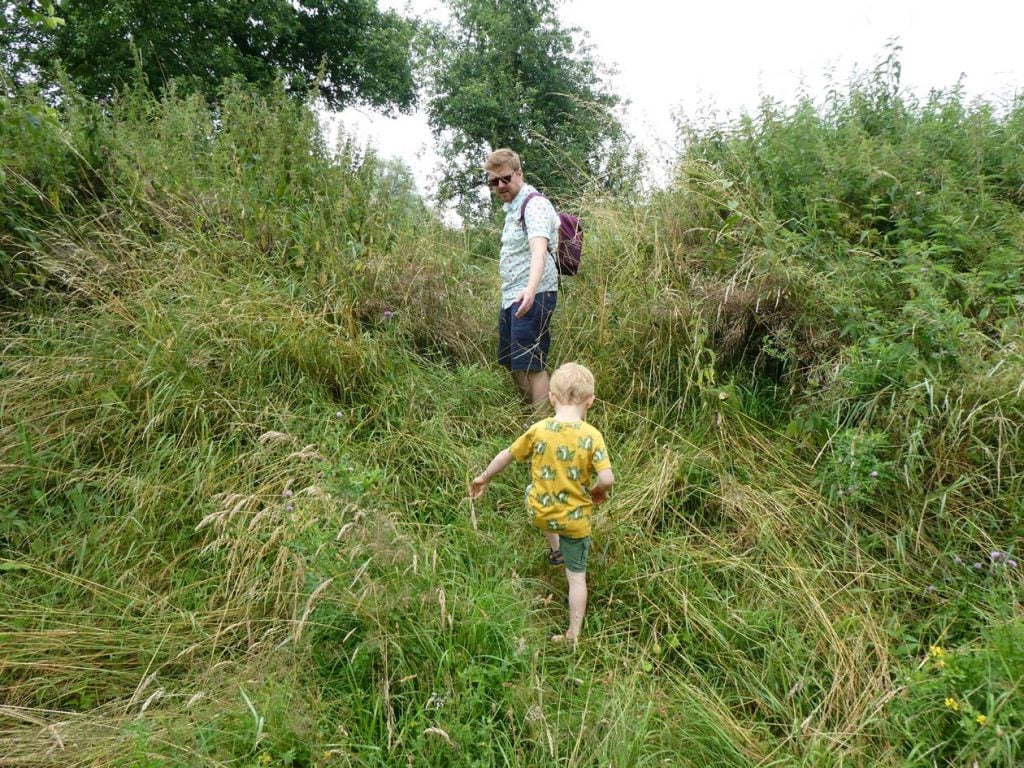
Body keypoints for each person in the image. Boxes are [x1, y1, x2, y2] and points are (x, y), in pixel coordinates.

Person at [470, 362, 614, 645]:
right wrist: (598, 491)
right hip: (574, 521)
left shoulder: (539, 429)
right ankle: (573, 634)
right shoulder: (591, 436)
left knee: (530, 490)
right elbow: (608, 478)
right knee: (577, 580)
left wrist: (483, 477)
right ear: (591, 401)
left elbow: (507, 455)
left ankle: (555, 549)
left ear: (550, 397)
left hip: (541, 512)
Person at [483, 148, 560, 409]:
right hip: (512, 296)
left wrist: (530, 290)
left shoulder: (534, 203)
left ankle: (543, 431)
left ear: (519, 173)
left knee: (531, 363)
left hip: (533, 294)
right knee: (513, 362)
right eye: (494, 181)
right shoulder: (511, 208)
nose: (501, 185)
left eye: (505, 178)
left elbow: (539, 251)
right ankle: (530, 420)